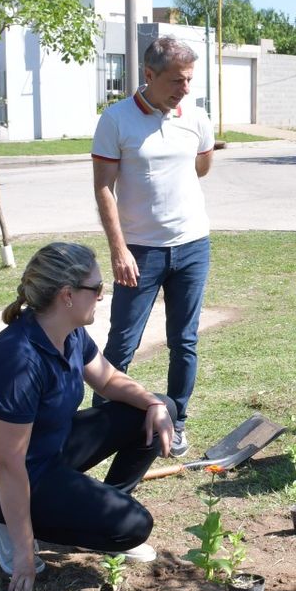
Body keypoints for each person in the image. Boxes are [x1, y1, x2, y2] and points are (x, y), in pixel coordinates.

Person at [0, 242, 175, 591]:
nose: (102, 296)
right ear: (66, 295)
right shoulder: (18, 361)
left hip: (50, 450)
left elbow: (108, 381)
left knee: (155, 410)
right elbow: (8, 463)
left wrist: (154, 403)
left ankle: (100, 515)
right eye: (96, 288)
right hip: (5, 480)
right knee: (135, 527)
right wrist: (26, 553)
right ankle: (5, 526)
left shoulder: (69, 332)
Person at [92, 36, 216, 457]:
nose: (185, 88)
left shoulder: (196, 117)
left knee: (185, 340)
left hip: (192, 246)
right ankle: (100, 426)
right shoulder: (116, 120)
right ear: (149, 75)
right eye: (178, 80)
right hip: (140, 252)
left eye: (189, 80)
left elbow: (200, 165)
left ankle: (176, 421)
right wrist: (119, 249)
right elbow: (104, 189)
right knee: (122, 342)